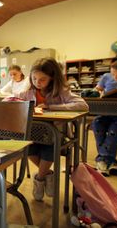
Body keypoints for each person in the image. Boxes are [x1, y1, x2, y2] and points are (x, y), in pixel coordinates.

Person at [16, 57, 88, 201]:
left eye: (43, 79)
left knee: (50, 145)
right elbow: (13, 101)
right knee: (26, 147)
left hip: (56, 134)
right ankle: (48, 174)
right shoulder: (28, 91)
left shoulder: (61, 91)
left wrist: (51, 106)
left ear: (52, 78)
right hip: (34, 133)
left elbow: (83, 105)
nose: (37, 82)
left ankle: (40, 179)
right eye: (34, 78)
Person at [92, 58, 117, 176]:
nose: (115, 78)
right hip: (105, 112)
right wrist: (98, 94)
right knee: (96, 122)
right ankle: (110, 160)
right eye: (113, 74)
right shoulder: (106, 77)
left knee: (116, 127)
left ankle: (102, 160)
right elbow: (96, 91)